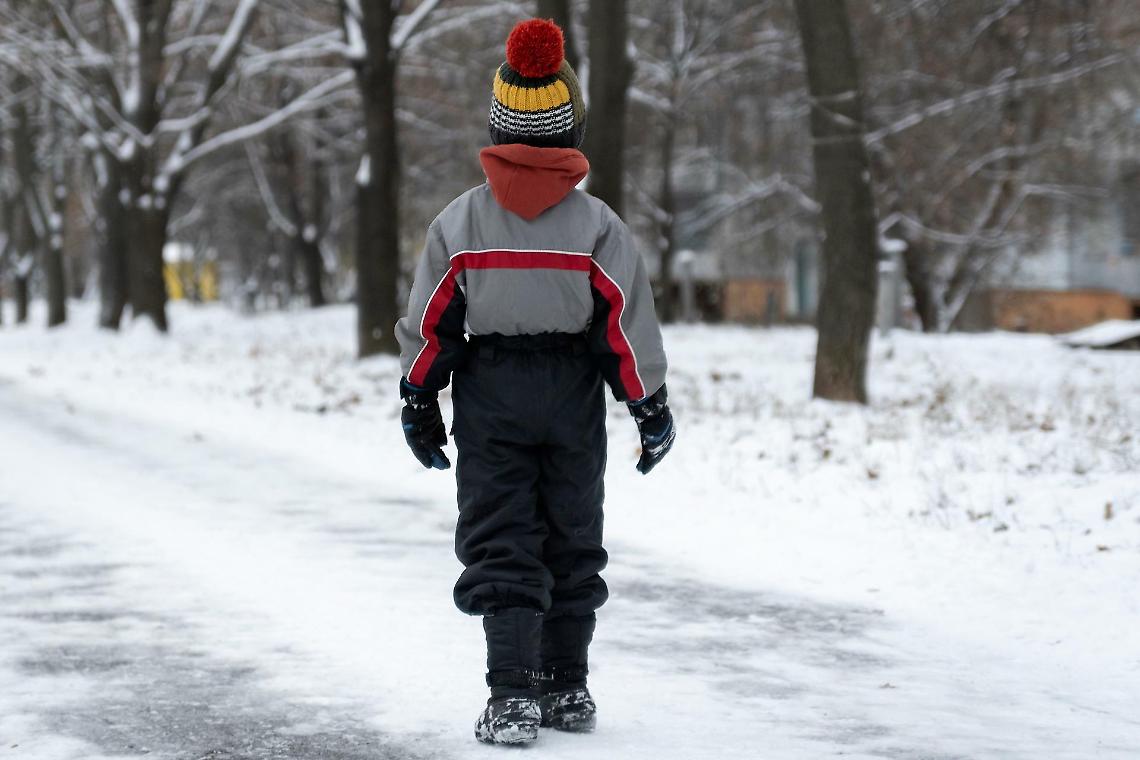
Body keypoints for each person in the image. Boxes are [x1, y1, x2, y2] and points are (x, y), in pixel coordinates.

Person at [395, 17, 675, 746]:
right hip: (573, 392)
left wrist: (419, 399)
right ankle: (568, 686)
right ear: (569, 127)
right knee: (572, 531)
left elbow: (432, 323)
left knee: (502, 536)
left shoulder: (459, 226)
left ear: (497, 123)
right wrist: (649, 405)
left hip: (490, 394)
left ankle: (512, 695)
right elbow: (625, 324)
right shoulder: (598, 228)